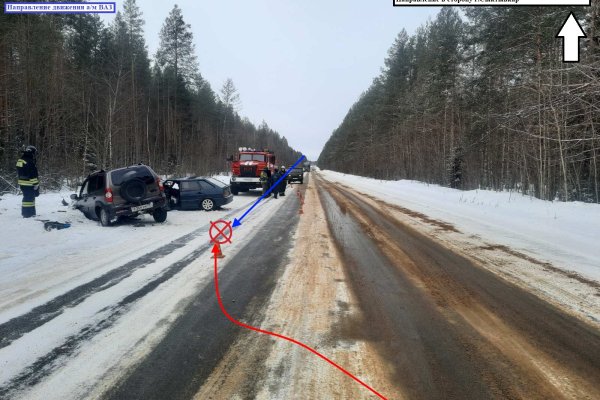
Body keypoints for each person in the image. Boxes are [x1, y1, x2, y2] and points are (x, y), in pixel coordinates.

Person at [16, 145, 39, 218]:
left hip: (22, 183)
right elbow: (32, 173)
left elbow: (21, 172)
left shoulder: (21, 159)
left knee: (29, 198)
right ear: (32, 152)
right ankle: (27, 214)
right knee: (28, 199)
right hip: (29, 183)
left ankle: (30, 213)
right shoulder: (29, 161)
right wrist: (35, 184)